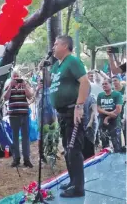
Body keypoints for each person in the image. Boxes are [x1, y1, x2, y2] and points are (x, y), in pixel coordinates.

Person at [49, 35, 90, 198]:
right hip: (62, 113)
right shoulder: (56, 66)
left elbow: (85, 82)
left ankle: (79, 188)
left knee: (73, 149)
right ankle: (73, 181)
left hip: (73, 111)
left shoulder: (72, 61)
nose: (53, 47)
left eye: (56, 43)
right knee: (67, 149)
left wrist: (79, 106)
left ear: (65, 45)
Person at [2, 70, 34, 168]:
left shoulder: (24, 85)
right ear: (12, 78)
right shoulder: (9, 86)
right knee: (15, 137)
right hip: (13, 116)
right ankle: (16, 159)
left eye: (17, 76)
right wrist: (11, 86)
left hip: (24, 115)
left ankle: (26, 159)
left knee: (25, 137)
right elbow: (5, 98)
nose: (16, 78)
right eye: (14, 77)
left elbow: (30, 96)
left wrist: (24, 86)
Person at [97, 79, 123, 152]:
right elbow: (98, 108)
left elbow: (118, 109)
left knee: (116, 142)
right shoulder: (100, 95)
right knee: (104, 142)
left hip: (114, 122)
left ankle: (118, 159)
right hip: (102, 121)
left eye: (106, 84)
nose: (104, 85)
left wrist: (107, 118)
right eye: (103, 84)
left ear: (111, 85)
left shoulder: (117, 94)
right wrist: (108, 114)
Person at [82, 94, 97, 159]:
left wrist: (90, 122)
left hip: (89, 125)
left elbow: (94, 111)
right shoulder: (77, 97)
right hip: (80, 125)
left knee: (89, 144)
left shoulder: (91, 98)